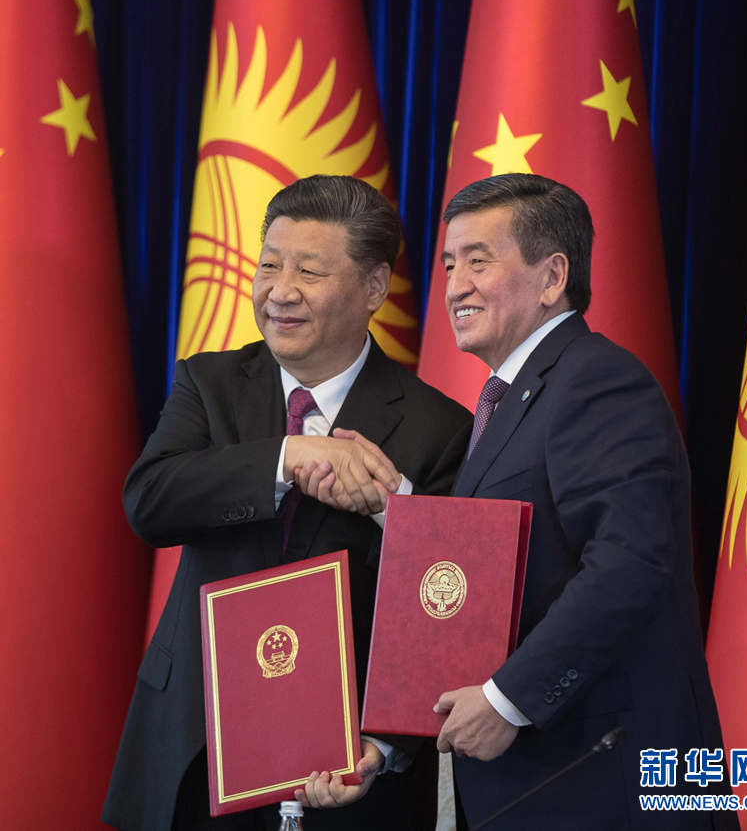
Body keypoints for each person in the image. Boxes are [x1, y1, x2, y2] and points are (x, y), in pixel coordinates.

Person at [101, 175, 473, 831]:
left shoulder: (438, 427)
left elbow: (447, 606)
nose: (280, 291)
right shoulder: (209, 382)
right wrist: (285, 459)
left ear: (374, 287)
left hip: (344, 764)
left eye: (309, 271)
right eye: (269, 265)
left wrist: (384, 747)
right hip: (196, 741)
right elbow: (150, 501)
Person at [427, 173, 740, 830]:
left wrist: (508, 699)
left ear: (552, 277)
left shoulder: (597, 379)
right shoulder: (510, 399)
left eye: (478, 261)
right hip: (543, 782)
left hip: (611, 779)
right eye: (449, 264)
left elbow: (629, 561)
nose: (455, 286)